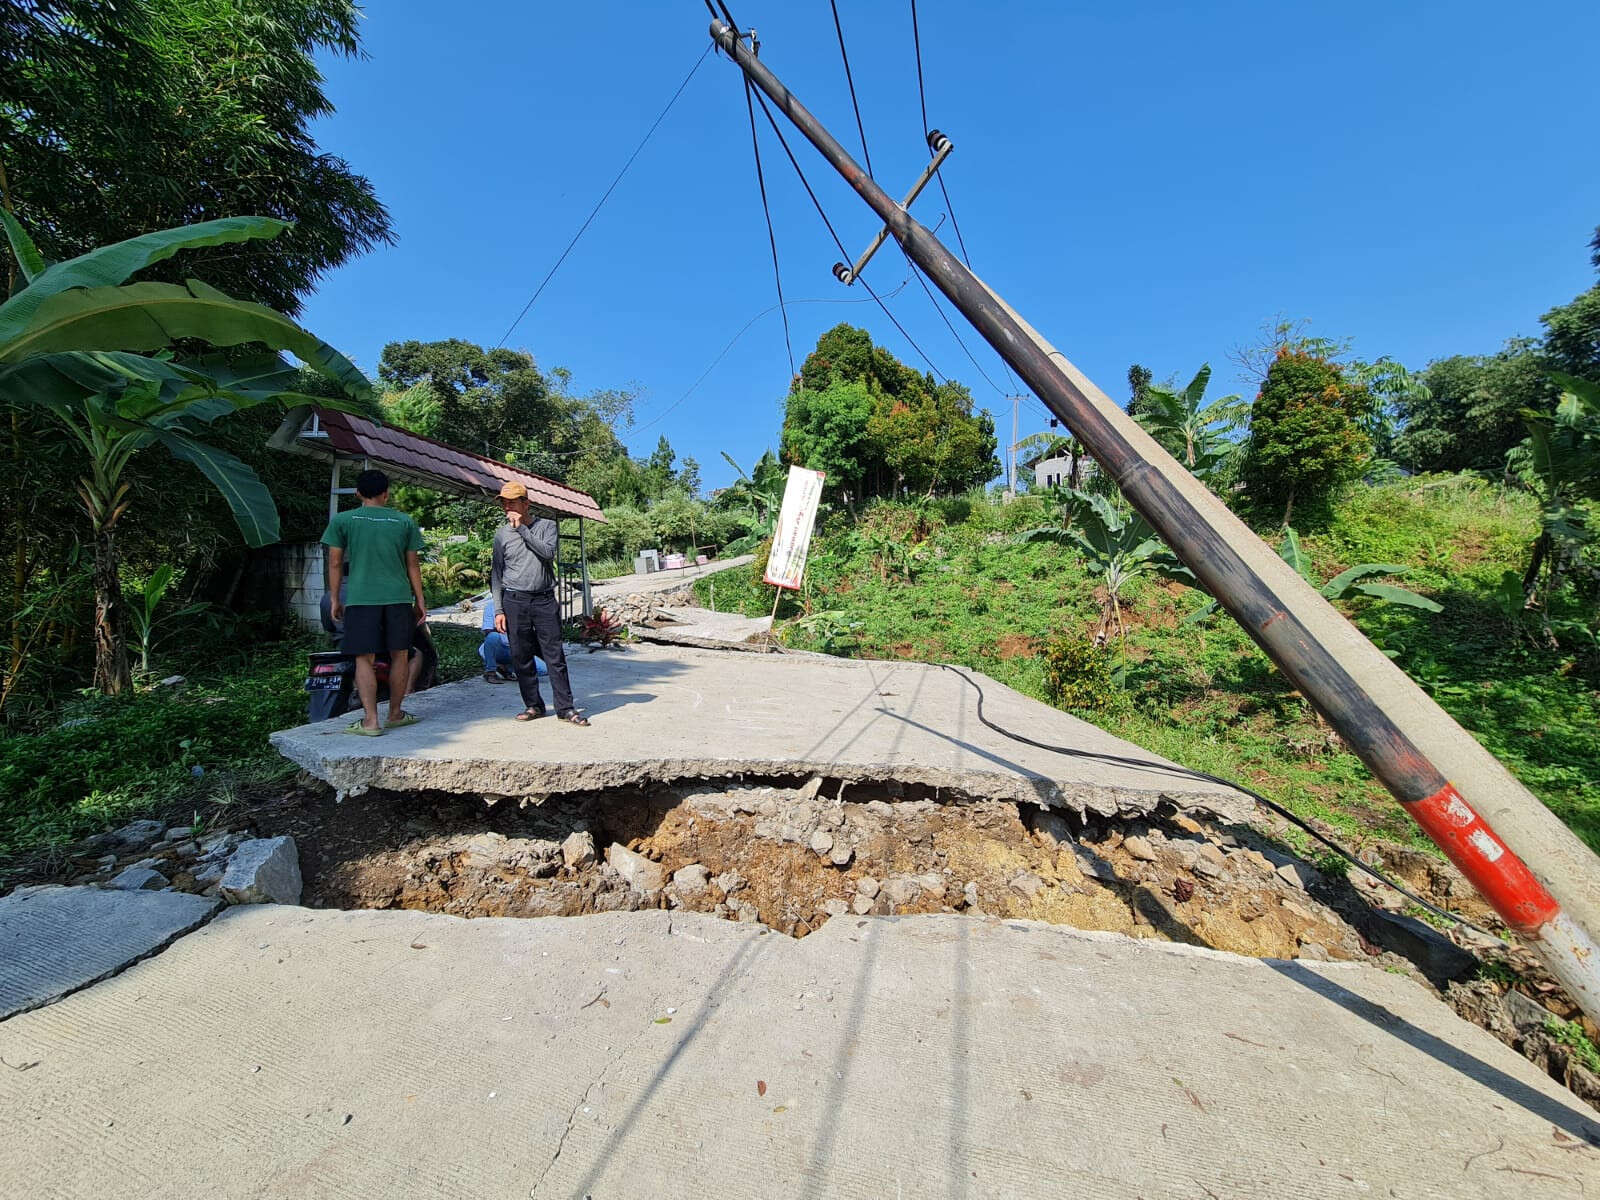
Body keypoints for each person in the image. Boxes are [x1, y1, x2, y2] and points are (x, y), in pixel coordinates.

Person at [320, 469, 427, 735]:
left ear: (357, 493)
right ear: (386, 494)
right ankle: (395, 713)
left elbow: (334, 562)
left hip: (360, 598)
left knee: (363, 659)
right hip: (399, 597)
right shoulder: (404, 521)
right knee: (400, 655)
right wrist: (421, 601)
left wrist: (335, 598)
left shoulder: (343, 520)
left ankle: (370, 721)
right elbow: (413, 565)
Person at [490, 480, 588, 725]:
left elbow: (547, 552)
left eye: (512, 502)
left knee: (554, 655)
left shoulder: (546, 526)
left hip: (544, 600)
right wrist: (499, 609)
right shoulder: (501, 534)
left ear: (526, 503)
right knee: (521, 656)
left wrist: (522, 529)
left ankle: (565, 707)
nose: (507, 507)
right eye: (504, 502)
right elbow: (496, 574)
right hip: (514, 600)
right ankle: (533, 705)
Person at [478, 595, 544, 684]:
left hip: (514, 648)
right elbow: (487, 630)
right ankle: (490, 672)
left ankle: (506, 669)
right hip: (499, 647)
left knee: (544, 669)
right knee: (493, 636)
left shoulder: (520, 606)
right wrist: (505, 627)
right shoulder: (490, 606)